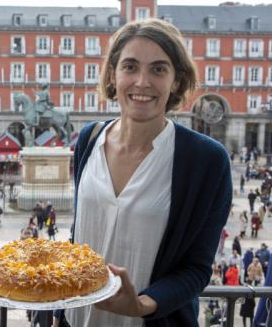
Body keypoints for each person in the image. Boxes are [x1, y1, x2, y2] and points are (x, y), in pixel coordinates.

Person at [66, 19, 232, 326]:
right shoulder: (89, 140)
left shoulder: (206, 161)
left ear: (177, 81)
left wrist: (142, 305)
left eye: (158, 69)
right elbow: (81, 234)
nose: (142, 81)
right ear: (113, 75)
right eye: (130, 67)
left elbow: (196, 268)